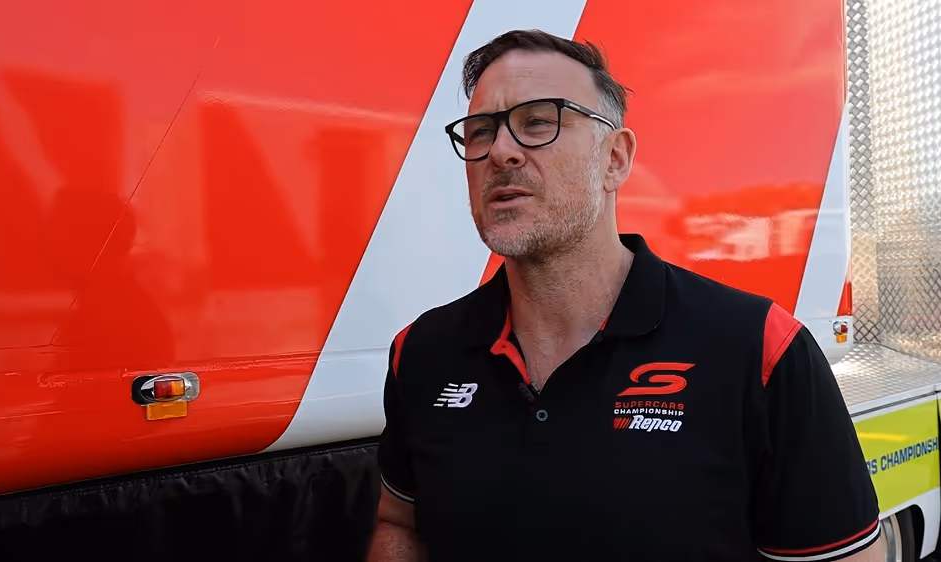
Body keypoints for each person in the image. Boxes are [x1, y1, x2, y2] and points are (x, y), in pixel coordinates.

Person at [365, 29, 883, 562]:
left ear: (615, 158)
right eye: (479, 131)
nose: (499, 151)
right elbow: (399, 522)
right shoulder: (422, 352)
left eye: (538, 121)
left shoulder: (761, 350)